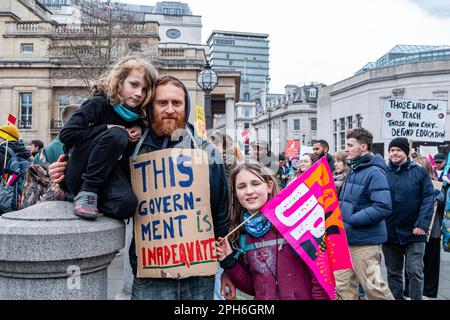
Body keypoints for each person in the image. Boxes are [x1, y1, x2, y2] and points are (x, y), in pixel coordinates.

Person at [128, 75, 229, 300]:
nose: (170, 109)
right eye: (162, 103)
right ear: (151, 107)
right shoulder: (132, 151)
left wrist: (228, 268)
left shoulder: (208, 153)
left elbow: (220, 212)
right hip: (151, 275)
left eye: (177, 103)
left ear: (186, 106)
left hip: (199, 275)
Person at [58, 56, 158, 220]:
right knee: (118, 135)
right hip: (79, 170)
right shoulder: (98, 103)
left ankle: (83, 197)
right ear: (119, 82)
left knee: (127, 205)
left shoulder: (139, 119)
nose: (139, 93)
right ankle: (85, 191)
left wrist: (138, 134)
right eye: (133, 85)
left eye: (145, 89)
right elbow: (67, 135)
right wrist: (105, 129)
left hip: (106, 177)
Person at [216, 162, 329, 300]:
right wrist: (229, 263)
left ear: (269, 187)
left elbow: (319, 276)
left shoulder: (294, 223)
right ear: (235, 192)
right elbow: (253, 287)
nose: (249, 191)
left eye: (256, 183)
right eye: (241, 186)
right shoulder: (240, 235)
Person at [334, 128, 394, 300]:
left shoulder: (374, 172)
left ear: (363, 147)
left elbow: (382, 207)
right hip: (345, 240)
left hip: (365, 243)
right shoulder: (354, 169)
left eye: (350, 145)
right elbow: (350, 202)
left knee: (375, 289)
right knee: (343, 287)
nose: (347, 149)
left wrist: (351, 219)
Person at [383, 138, 434, 300]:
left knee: (414, 272)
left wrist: (422, 224)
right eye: (392, 150)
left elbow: (428, 198)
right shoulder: (383, 172)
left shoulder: (419, 172)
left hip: (415, 232)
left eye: (398, 150)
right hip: (390, 232)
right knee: (393, 273)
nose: (394, 153)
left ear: (406, 152)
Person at [410, 156, 444, 299]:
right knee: (414, 265)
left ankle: (428, 291)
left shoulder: (435, 185)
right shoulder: (409, 183)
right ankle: (412, 291)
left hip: (432, 231)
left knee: (430, 263)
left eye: (420, 168)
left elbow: (442, 204)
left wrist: (438, 196)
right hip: (415, 230)